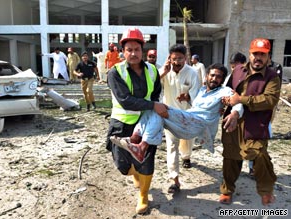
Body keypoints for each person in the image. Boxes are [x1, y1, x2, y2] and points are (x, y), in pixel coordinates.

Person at [110, 63, 243, 163]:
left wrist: (234, 114)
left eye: (219, 77)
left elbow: (238, 102)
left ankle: (141, 147)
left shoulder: (224, 91)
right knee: (153, 108)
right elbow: (198, 107)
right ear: (207, 75)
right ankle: (135, 139)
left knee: (159, 108)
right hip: (188, 122)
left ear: (223, 79)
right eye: (212, 75)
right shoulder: (202, 90)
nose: (214, 79)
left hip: (198, 124)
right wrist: (188, 98)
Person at [106, 27, 166, 214]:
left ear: (142, 50)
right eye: (129, 49)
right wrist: (153, 106)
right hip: (122, 122)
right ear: (123, 52)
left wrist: (154, 110)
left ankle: (143, 196)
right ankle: (134, 172)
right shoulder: (115, 72)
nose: (133, 53)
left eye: (137, 49)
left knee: (147, 159)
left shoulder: (152, 70)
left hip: (146, 123)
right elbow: (125, 100)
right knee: (122, 165)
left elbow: (155, 94)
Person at [219, 38, 281, 206]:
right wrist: (223, 101)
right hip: (233, 122)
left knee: (260, 155)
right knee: (230, 157)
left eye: (262, 54)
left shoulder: (272, 77)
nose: (258, 58)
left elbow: (269, 100)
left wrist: (241, 99)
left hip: (256, 124)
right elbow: (227, 90)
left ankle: (266, 190)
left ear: (268, 57)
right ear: (250, 54)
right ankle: (227, 190)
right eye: (255, 54)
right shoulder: (238, 70)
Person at [158, 44, 200, 194]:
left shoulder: (192, 73)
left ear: (186, 58)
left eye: (180, 58)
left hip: (187, 115)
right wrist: (163, 72)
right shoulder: (164, 72)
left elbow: (197, 97)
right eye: (174, 59)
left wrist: (188, 97)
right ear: (169, 58)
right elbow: (152, 85)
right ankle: (174, 180)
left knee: (188, 141)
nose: (177, 62)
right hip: (169, 115)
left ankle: (186, 156)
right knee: (171, 146)